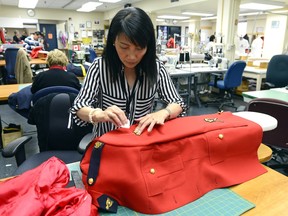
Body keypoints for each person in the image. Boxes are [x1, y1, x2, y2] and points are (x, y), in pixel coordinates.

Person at [70, 7, 186, 138]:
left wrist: (164, 112)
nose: (132, 56)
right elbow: (79, 107)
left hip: (140, 144)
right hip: (108, 143)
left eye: (139, 48)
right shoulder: (99, 67)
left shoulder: (156, 68)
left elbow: (177, 102)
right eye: (124, 47)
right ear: (114, 41)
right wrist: (98, 114)